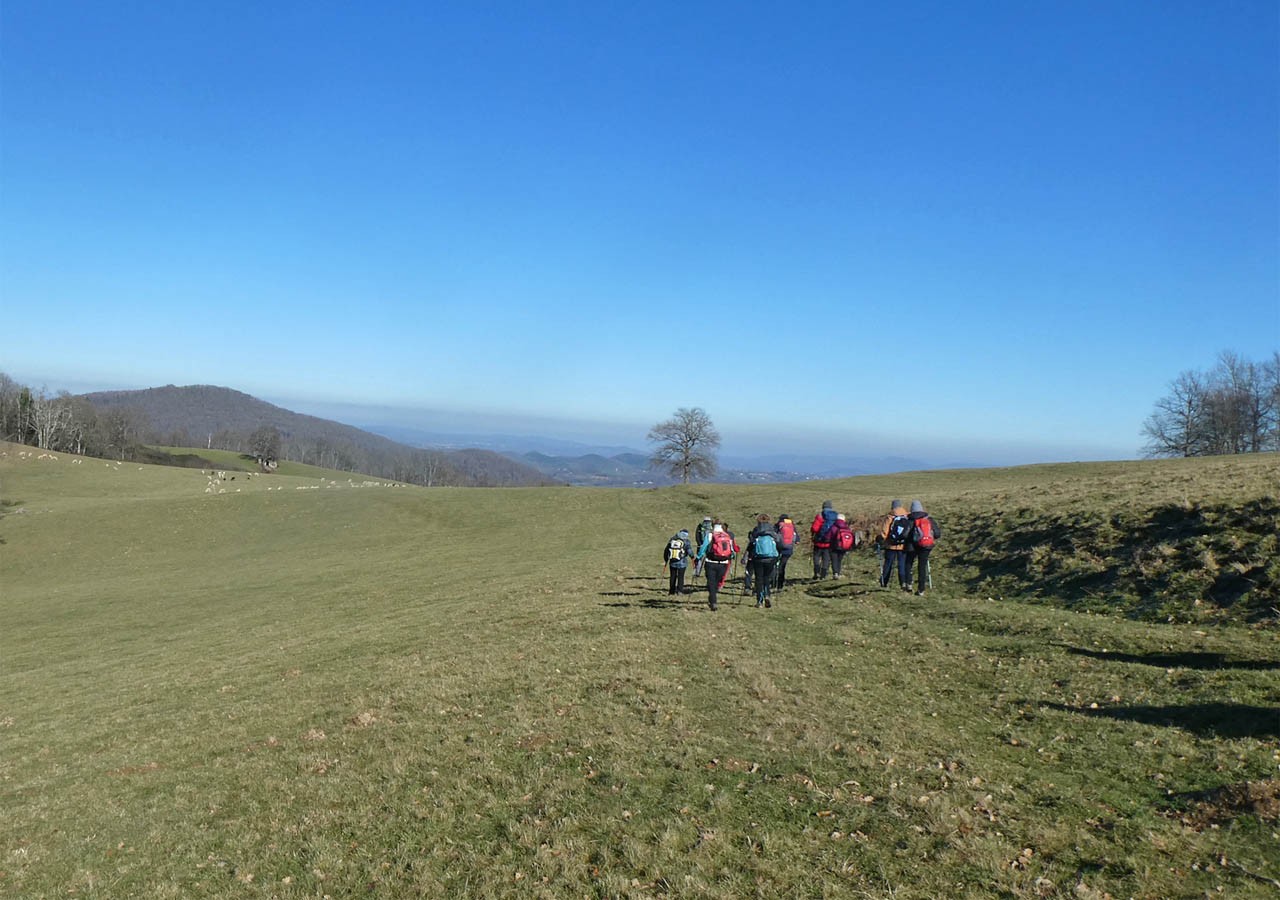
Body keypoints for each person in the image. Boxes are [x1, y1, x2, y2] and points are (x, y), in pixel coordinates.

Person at [904, 500, 942, 595]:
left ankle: (909, 583)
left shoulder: (911, 520)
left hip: (913, 546)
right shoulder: (929, 519)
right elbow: (937, 534)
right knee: (922, 566)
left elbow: (905, 534)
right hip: (926, 546)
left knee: (909, 563)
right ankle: (921, 589)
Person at [696, 522, 736, 611]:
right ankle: (713, 599)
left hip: (710, 562)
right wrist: (732, 556)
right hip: (724, 562)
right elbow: (732, 550)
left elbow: (703, 547)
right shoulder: (727, 536)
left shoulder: (710, 535)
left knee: (711, 582)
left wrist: (698, 557)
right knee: (716, 582)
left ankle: (713, 601)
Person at [746, 514, 780, 607]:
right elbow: (779, 543)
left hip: (758, 558)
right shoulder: (772, 531)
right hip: (771, 558)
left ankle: (759, 601)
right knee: (766, 578)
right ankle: (767, 595)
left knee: (759, 579)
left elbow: (751, 544)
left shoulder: (756, 530)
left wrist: (748, 555)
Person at [879, 500, 911, 590]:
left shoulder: (890, 517)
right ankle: (903, 583)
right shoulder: (907, 516)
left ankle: (884, 582)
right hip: (903, 545)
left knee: (888, 564)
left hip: (890, 545)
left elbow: (885, 532)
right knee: (902, 564)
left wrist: (882, 539)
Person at [811, 500, 839, 579]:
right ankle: (823, 575)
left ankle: (817, 572)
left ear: (823, 507)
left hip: (818, 542)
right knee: (826, 558)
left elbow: (815, 528)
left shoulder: (820, 515)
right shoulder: (835, 516)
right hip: (829, 542)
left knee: (816, 557)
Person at [663, 529, 694, 595]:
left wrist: (666, 560)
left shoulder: (672, 539)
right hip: (682, 562)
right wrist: (692, 557)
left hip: (672, 562)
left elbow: (666, 550)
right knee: (681, 577)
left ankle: (671, 591)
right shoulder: (686, 541)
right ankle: (680, 591)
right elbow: (689, 551)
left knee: (672, 576)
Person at [774, 513, 798, 592]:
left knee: (774, 564)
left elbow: (773, 535)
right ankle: (780, 584)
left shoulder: (778, 525)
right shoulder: (791, 525)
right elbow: (796, 538)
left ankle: (773, 582)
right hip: (788, 549)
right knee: (782, 566)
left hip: (778, 548)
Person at [828, 513, 855, 578]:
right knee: (839, 560)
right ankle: (838, 572)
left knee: (834, 559)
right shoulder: (847, 527)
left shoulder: (834, 526)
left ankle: (835, 573)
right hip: (844, 546)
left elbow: (828, 536)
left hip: (835, 546)